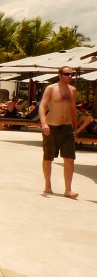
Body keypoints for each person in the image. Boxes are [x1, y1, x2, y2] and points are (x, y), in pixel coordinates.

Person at [39, 66, 79, 198]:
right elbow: (42, 106)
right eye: (67, 74)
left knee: (69, 158)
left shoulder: (72, 90)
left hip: (67, 127)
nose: (70, 76)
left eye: (71, 74)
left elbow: (73, 109)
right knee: (48, 157)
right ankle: (48, 184)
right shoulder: (51, 88)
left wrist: (75, 128)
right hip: (52, 126)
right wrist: (44, 123)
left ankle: (68, 189)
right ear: (60, 75)